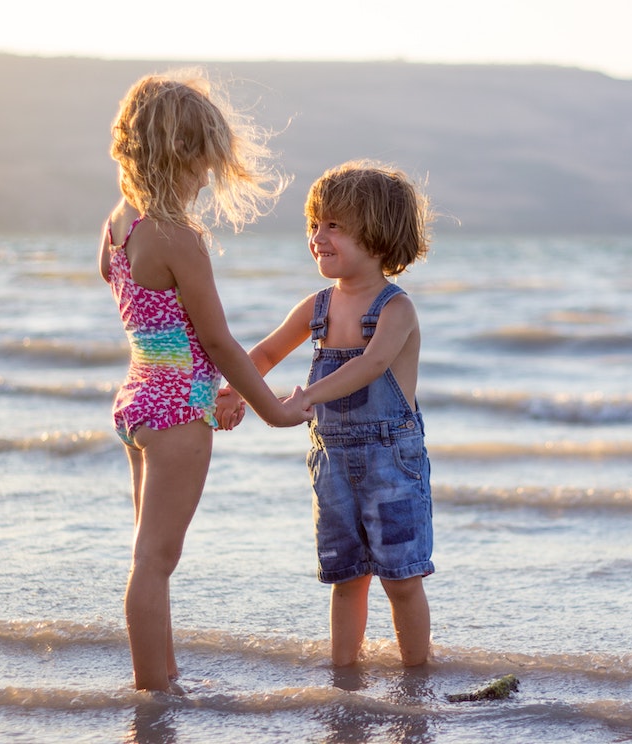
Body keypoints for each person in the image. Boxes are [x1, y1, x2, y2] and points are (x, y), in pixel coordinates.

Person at [98, 70, 311, 693]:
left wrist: (179, 366)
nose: (206, 182)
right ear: (181, 158)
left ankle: (162, 677)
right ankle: (153, 694)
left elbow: (112, 279)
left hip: (138, 402)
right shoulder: (179, 238)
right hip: (175, 418)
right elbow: (217, 340)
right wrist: (271, 408)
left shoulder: (121, 222)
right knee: (155, 562)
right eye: (203, 167)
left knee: (151, 558)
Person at [217, 160, 435, 668]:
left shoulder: (395, 309)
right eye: (314, 224)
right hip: (333, 464)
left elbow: (371, 364)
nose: (318, 236)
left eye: (334, 225)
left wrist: (305, 399)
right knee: (345, 577)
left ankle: (417, 675)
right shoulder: (316, 306)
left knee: (401, 579)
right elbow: (266, 355)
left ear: (378, 236)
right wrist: (235, 391)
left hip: (391, 464)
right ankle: (344, 675)